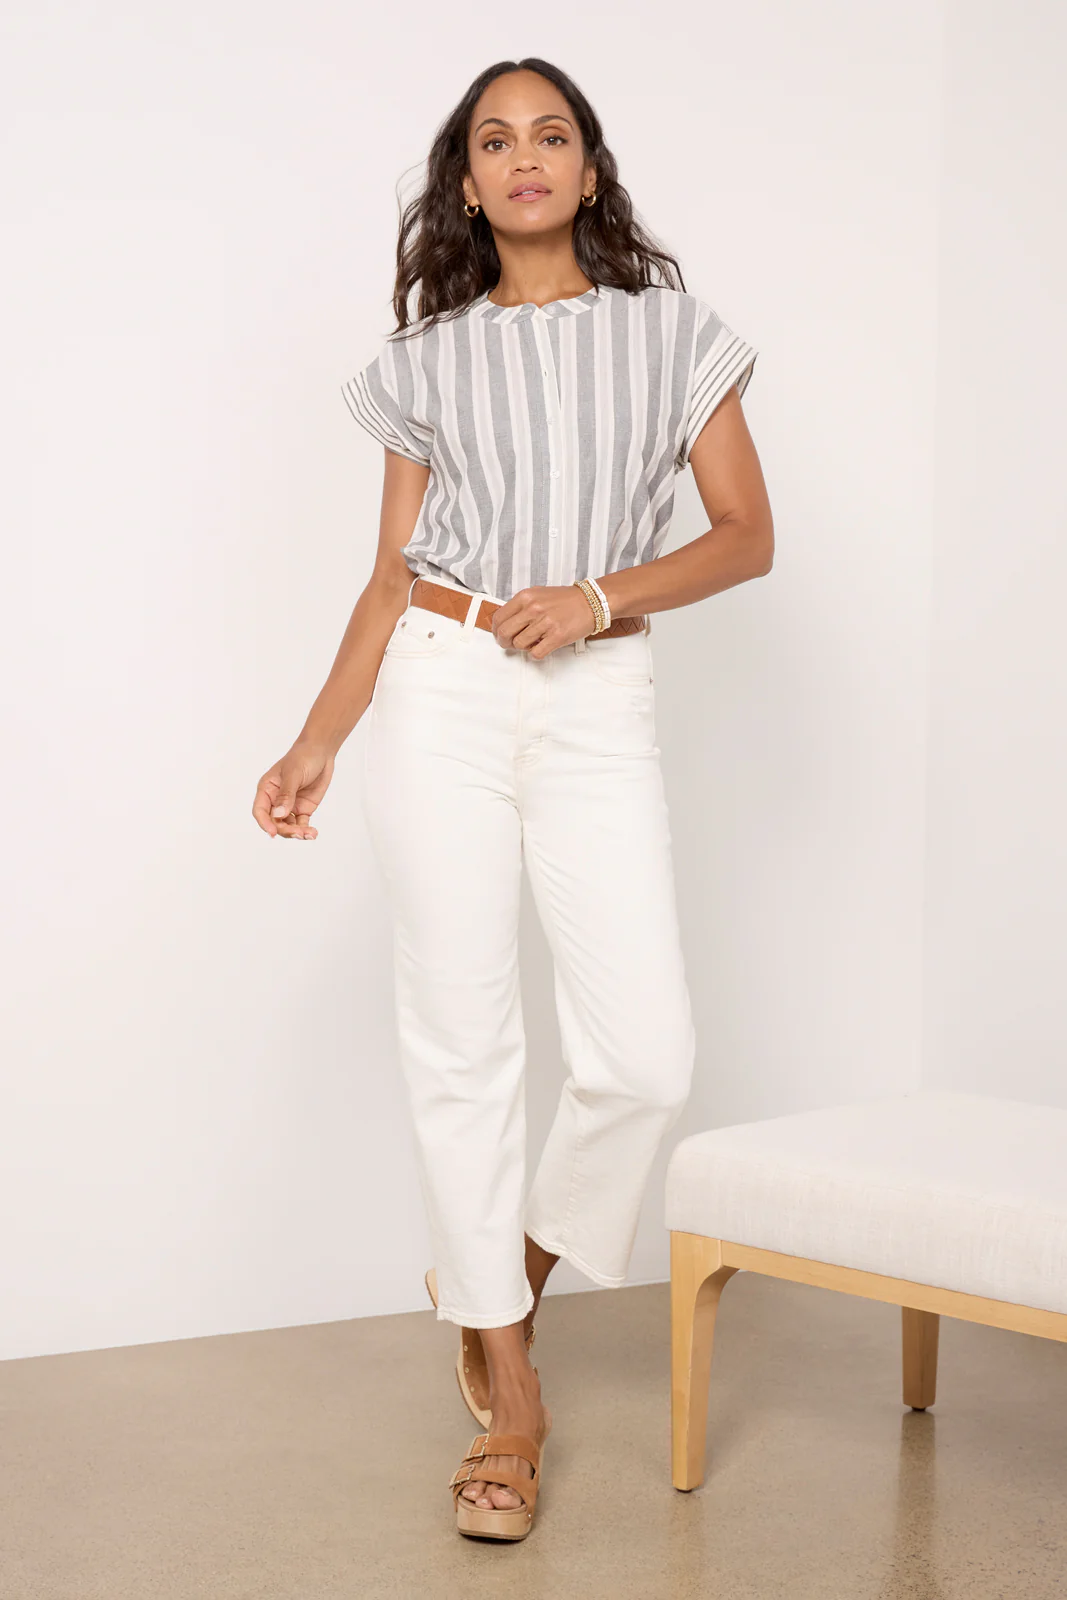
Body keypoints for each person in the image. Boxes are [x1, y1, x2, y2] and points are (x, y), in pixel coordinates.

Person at [252, 56, 772, 1542]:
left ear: (589, 173)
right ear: (467, 185)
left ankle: (501, 1281)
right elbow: (388, 576)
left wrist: (598, 596)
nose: (525, 156)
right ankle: (513, 1398)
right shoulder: (424, 362)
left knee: (645, 1057)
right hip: (440, 686)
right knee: (463, 1035)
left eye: (551, 135)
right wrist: (317, 740)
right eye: (495, 140)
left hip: (597, 695)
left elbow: (745, 535)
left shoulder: (672, 334)